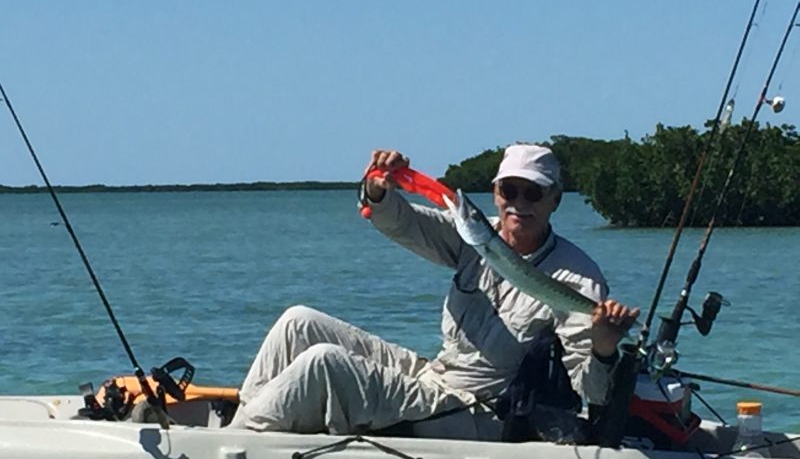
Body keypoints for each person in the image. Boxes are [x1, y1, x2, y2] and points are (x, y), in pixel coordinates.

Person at [227, 143, 639, 440]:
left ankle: (236, 447)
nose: (518, 203)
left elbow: (593, 393)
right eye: (507, 191)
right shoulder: (475, 236)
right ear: (494, 196)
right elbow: (399, 222)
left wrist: (604, 348)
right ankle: (246, 424)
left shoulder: (580, 279)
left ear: (555, 200)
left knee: (326, 362)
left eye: (532, 193)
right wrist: (379, 188)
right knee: (298, 322)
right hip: (435, 374)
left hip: (476, 407)